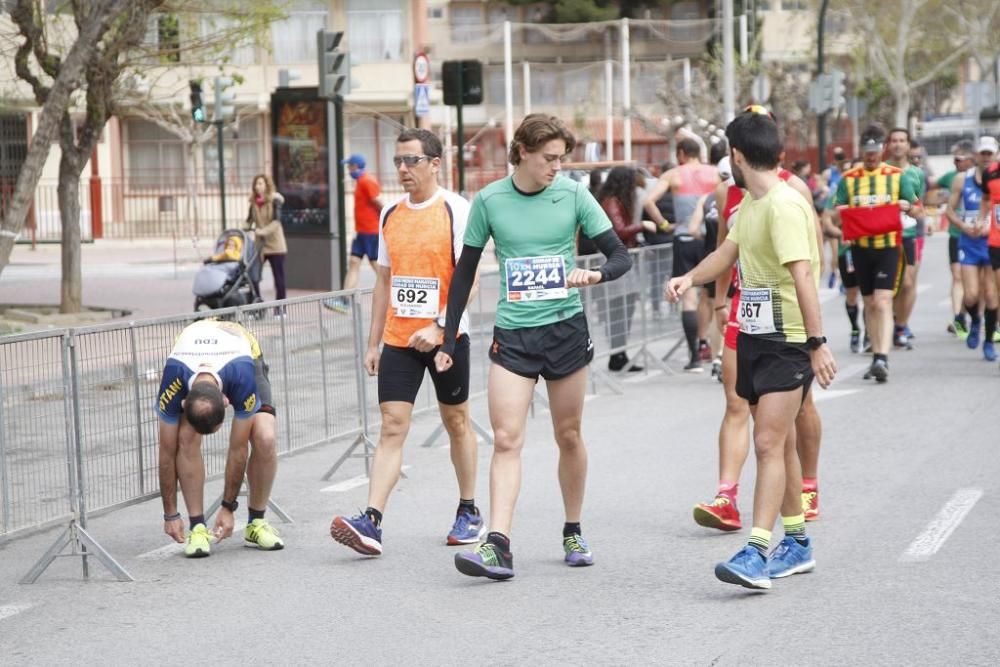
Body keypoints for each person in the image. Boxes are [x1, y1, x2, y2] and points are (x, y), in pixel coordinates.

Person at [434, 114, 632, 580]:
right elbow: (464, 272)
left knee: (568, 434)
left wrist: (596, 274)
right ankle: (497, 544)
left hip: (564, 329)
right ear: (521, 151)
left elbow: (619, 254)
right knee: (506, 438)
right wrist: (447, 335)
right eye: (549, 158)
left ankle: (573, 528)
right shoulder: (490, 201)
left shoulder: (575, 195)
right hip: (514, 334)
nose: (556, 167)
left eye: (562, 159)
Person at [667, 109, 836, 590]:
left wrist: (816, 343)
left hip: (786, 341)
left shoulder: (783, 205)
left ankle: (758, 550)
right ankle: (797, 543)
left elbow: (803, 274)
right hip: (756, 336)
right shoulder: (752, 206)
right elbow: (727, 253)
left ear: (737, 157)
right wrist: (689, 278)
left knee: (766, 442)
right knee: (779, 442)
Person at [329, 129, 484, 555]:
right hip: (399, 337)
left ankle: (469, 509)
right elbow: (382, 282)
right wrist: (373, 342)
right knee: (393, 426)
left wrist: (439, 326)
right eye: (398, 161)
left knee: (457, 422)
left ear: (435, 163)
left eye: (411, 160)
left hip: (446, 337)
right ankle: (372, 522)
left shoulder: (457, 210)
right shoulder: (390, 214)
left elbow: (468, 281)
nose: (402, 169)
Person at [156, 318, 283, 558]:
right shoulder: (173, 380)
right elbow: (165, 451)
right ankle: (197, 527)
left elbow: (238, 449)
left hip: (241, 352)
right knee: (185, 436)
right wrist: (170, 514)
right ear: (183, 402)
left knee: (265, 436)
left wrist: (228, 508)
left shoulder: (241, 377)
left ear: (227, 401)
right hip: (191, 352)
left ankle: (256, 523)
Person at [830, 127, 919, 383]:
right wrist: (846, 211)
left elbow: (917, 208)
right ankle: (875, 354)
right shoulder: (849, 178)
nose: (871, 156)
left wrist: (907, 206)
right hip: (860, 248)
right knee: (868, 303)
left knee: (882, 301)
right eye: (867, 152)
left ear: (882, 149)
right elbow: (835, 211)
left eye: (875, 151)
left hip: (888, 246)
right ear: (862, 151)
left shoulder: (896, 176)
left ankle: (883, 357)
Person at [643, 136, 720, 371]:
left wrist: (665, 225)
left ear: (682, 153)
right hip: (712, 239)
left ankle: (695, 356)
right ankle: (712, 347)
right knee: (713, 296)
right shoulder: (715, 173)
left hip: (685, 237)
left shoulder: (673, 174)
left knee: (688, 296)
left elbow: (648, 202)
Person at [596, 166, 657, 371]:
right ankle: (617, 354)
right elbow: (619, 231)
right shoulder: (612, 202)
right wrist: (643, 226)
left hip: (622, 261)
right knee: (619, 311)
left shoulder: (617, 201)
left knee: (625, 310)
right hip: (616, 264)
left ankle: (620, 353)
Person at [947, 136, 996, 360]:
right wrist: (964, 226)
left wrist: (988, 225)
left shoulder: (996, 179)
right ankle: (975, 321)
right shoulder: (961, 179)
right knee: (971, 294)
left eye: (990, 153)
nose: (986, 158)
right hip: (969, 241)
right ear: (976, 155)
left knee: (991, 293)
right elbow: (949, 211)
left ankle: (988, 340)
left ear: (995, 154)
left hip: (992, 242)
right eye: (982, 153)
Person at [326, 153, 384, 312]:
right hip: (361, 232)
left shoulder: (367, 181)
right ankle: (344, 300)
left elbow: (378, 202)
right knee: (353, 262)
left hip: (370, 231)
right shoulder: (360, 181)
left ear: (356, 166)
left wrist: (386, 219)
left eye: (349, 166)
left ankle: (392, 292)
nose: (348, 169)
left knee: (375, 265)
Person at [886, 128, 927, 349]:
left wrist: (910, 208)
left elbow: (921, 208)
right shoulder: (880, 171)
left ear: (908, 146)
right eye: (894, 140)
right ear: (888, 145)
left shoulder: (917, 173)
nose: (898, 144)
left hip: (908, 233)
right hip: (883, 234)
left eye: (902, 140)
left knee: (908, 283)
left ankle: (901, 326)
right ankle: (887, 321)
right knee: (885, 285)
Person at [938, 141, 976, 336]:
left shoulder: (984, 178)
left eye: (959, 159)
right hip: (957, 234)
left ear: (971, 159)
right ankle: (958, 317)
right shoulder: (952, 178)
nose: (956, 163)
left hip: (982, 238)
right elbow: (930, 187)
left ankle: (973, 316)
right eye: (954, 159)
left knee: (980, 284)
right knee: (958, 276)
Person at [244, 174, 287, 313]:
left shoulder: (275, 201)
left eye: (261, 184)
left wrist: (262, 231)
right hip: (260, 246)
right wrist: (242, 228)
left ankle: (280, 309)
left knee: (278, 278)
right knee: (253, 275)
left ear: (267, 185)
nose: (258, 187)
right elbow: (249, 220)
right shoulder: (254, 203)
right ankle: (257, 307)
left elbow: (276, 221)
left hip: (275, 244)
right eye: (256, 184)